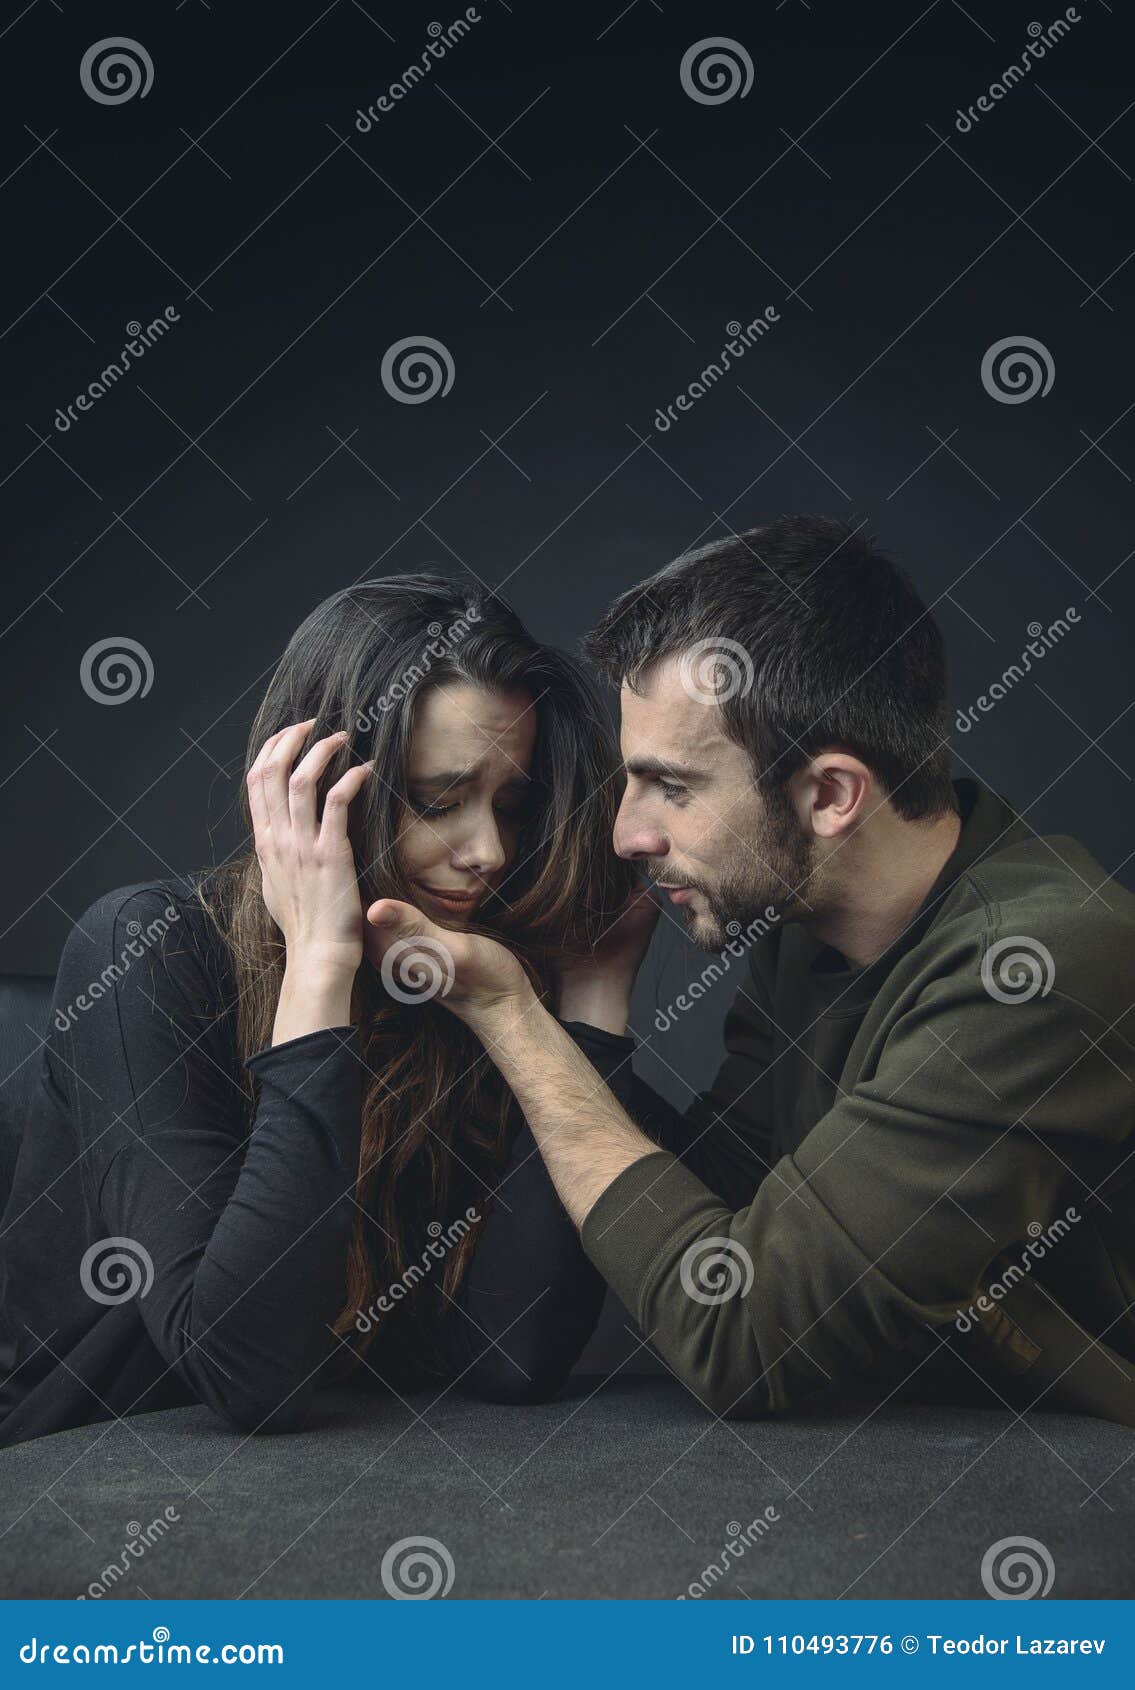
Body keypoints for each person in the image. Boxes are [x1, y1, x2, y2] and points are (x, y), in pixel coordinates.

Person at [367, 516, 1135, 1427]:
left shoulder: (1038, 968)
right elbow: (714, 1204)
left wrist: (508, 1016)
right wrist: (593, 997)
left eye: (672, 788)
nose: (625, 836)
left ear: (829, 796)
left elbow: (735, 1331)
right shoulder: (806, 930)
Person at [0, 575, 635, 1447]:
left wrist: (592, 993)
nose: (489, 851)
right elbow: (244, 1374)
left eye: (511, 806)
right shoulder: (146, 949)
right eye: (438, 801)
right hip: (82, 1471)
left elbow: (508, 1356)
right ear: (314, 790)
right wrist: (320, 965)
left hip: (320, 1497)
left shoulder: (460, 972)